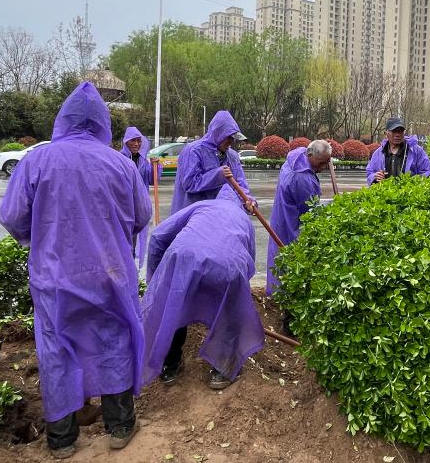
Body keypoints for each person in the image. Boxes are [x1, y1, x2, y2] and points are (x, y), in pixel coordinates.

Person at [0, 82, 151, 459]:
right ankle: (119, 427)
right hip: (110, 274)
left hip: (55, 276)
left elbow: (13, 217)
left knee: (57, 348)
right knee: (113, 341)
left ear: (61, 119)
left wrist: (39, 237)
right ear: (103, 123)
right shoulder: (121, 164)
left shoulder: (35, 161)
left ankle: (62, 440)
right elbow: (142, 216)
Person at [142, 184, 264, 390]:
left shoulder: (203, 206)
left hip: (184, 256)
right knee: (230, 310)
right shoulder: (243, 218)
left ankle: (170, 366)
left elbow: (157, 237)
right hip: (228, 265)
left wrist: (157, 276)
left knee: (175, 305)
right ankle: (222, 370)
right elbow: (248, 263)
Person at [266, 140, 332, 295]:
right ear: (310, 155)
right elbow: (310, 211)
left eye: (327, 162)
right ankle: (284, 295)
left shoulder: (298, 155)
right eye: (321, 163)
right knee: (291, 256)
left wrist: (325, 151)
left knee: (279, 252)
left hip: (281, 216)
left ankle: (277, 292)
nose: (323, 168)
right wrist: (332, 206)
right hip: (293, 221)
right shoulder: (302, 178)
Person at [170, 110, 253, 215]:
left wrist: (247, 201)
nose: (231, 141)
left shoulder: (232, 156)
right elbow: (189, 184)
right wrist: (218, 175)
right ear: (218, 133)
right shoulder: (193, 151)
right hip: (193, 216)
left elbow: (239, 183)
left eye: (233, 138)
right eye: (228, 137)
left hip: (219, 216)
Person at [120, 126, 154, 265]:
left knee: (134, 238)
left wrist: (155, 168)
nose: (136, 144)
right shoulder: (119, 159)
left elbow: (152, 180)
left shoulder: (144, 162)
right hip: (123, 206)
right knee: (123, 240)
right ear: (126, 142)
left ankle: (131, 267)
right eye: (133, 140)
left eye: (139, 141)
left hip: (138, 207)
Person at [366, 117, 430, 185]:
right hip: (386, 191)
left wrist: (413, 181)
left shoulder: (416, 151)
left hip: (409, 190)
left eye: (400, 131)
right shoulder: (379, 153)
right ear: (386, 133)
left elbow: (426, 171)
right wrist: (375, 177)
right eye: (394, 131)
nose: (397, 135)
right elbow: (370, 172)